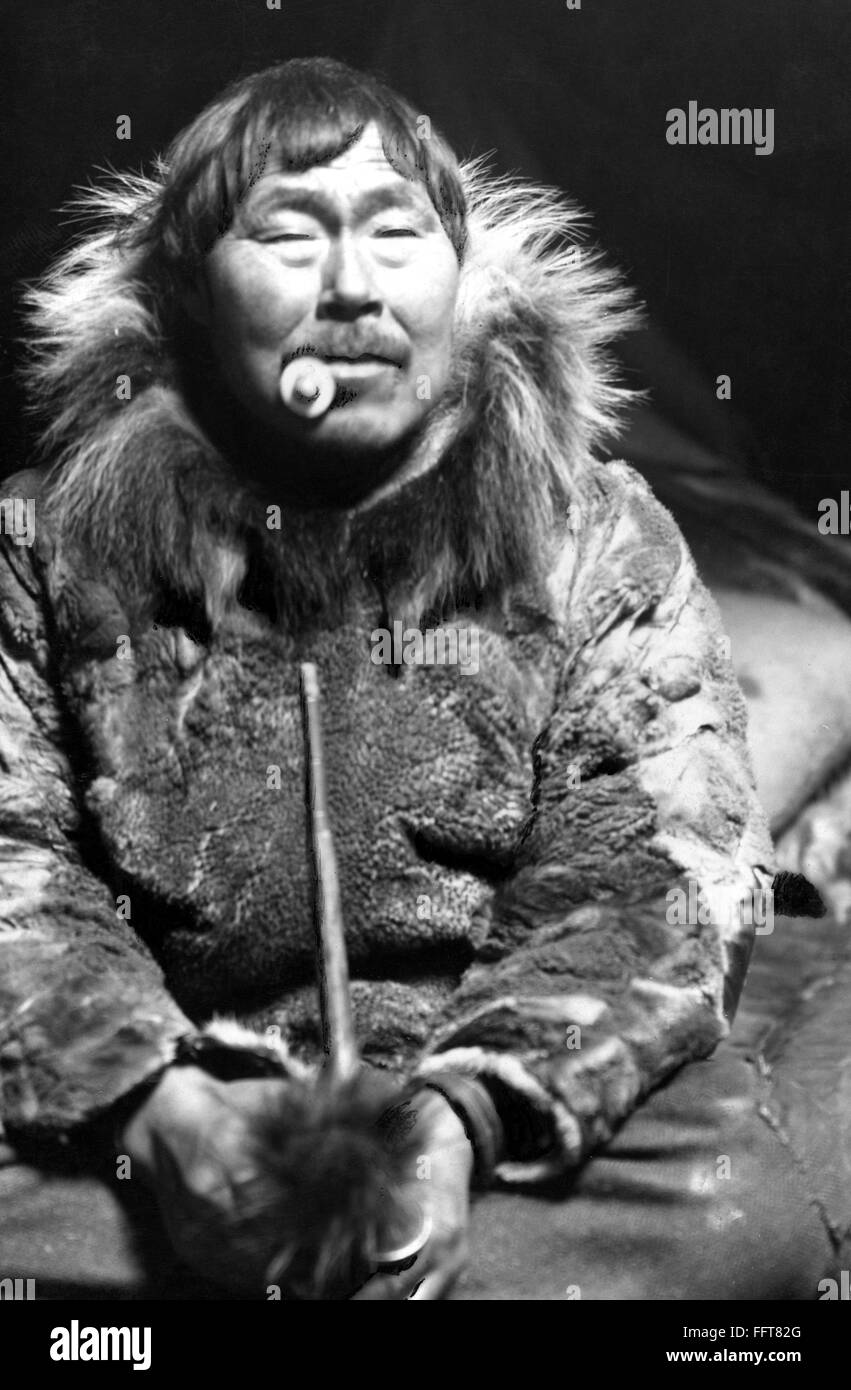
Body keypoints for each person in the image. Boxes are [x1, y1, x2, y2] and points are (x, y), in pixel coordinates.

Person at [0, 57, 843, 1301]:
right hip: (175, 1094)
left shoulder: (588, 531)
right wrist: (159, 1111)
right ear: (183, 295)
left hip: (508, 1119)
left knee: (751, 1177)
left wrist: (461, 1119)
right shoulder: (45, 543)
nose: (351, 285)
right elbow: (16, 868)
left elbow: (651, 875)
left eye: (397, 233)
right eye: (288, 232)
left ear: (459, 279)